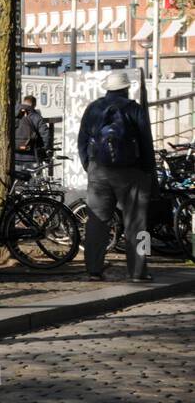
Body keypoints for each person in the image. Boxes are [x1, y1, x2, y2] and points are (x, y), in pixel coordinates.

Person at [77, 70, 155, 282]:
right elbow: (146, 142)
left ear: (108, 88)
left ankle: (93, 270)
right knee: (138, 225)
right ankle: (139, 271)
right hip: (132, 173)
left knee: (96, 222)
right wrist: (149, 171)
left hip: (98, 171)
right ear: (126, 88)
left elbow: (82, 140)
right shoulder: (134, 109)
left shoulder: (93, 108)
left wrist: (89, 165)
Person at [14, 95, 51, 171]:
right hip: (31, 156)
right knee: (31, 181)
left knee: (15, 180)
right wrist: (44, 150)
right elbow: (46, 135)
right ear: (34, 105)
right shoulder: (37, 117)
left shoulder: (13, 115)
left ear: (23, 102)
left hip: (14, 155)